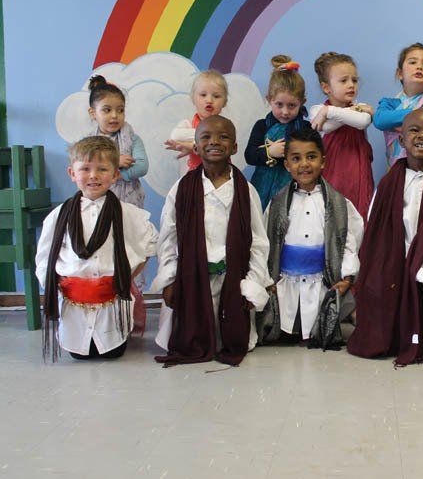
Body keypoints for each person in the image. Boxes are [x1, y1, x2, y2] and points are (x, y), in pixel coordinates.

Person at [347, 108, 423, 365]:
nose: (422, 136)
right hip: (396, 260)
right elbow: (376, 227)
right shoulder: (389, 181)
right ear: (401, 140)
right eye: (414, 130)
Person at [153, 115, 272, 366]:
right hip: (192, 279)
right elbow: (168, 238)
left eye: (224, 137)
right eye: (206, 137)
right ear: (195, 147)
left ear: (235, 147)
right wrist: (170, 279)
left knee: (230, 337)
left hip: (231, 279)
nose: (214, 142)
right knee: (188, 335)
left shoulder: (245, 190)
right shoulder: (182, 189)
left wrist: (252, 283)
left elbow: (259, 243)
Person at [35, 136, 157, 361]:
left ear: (115, 175)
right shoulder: (59, 215)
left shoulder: (127, 213)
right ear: (72, 173)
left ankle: (113, 338)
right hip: (74, 302)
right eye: (85, 169)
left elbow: (150, 243)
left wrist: (127, 276)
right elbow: (44, 256)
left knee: (112, 351)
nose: (93, 175)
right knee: (79, 353)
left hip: (111, 302)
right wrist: (54, 284)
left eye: (102, 169)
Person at [257, 129, 364, 349]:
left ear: (323, 161)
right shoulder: (277, 203)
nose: (304, 164)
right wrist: (268, 280)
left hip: (322, 279)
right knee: (288, 325)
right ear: (287, 165)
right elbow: (266, 242)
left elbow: (348, 242)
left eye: (311, 157)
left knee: (321, 322)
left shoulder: (337, 203)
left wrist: (347, 275)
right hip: (286, 279)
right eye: (296, 158)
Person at [86, 75, 150, 333]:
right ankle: (105, 314)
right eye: (107, 110)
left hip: (128, 203)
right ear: (93, 113)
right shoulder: (89, 142)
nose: (114, 116)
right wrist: (114, 164)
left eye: (120, 110)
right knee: (105, 255)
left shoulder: (131, 138)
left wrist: (113, 173)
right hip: (99, 206)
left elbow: (142, 166)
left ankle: (134, 315)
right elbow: (89, 171)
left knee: (130, 253)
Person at [308, 52, 374, 221]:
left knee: (358, 219)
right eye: (344, 80)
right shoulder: (316, 110)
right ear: (326, 88)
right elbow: (327, 126)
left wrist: (329, 111)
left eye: (354, 80)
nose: (351, 85)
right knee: (331, 217)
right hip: (332, 174)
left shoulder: (359, 110)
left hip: (358, 176)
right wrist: (328, 111)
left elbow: (362, 121)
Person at [245, 55, 312, 210]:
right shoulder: (262, 126)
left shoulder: (306, 128)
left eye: (292, 105)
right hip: (261, 189)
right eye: (279, 105)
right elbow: (249, 155)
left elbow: (312, 158)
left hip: (294, 192)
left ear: (302, 103)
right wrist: (269, 151)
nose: (285, 111)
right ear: (269, 100)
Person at [373, 42, 423, 167]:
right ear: (400, 73)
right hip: (400, 172)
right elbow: (380, 120)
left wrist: (402, 125)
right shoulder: (390, 103)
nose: (419, 67)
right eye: (412, 62)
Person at [165, 69, 229, 174]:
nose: (209, 100)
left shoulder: (226, 127)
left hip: (220, 177)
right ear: (193, 98)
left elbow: (223, 149)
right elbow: (175, 136)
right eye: (203, 95)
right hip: (194, 177)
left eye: (216, 96)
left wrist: (191, 147)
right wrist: (204, 139)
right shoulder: (188, 123)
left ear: (225, 102)